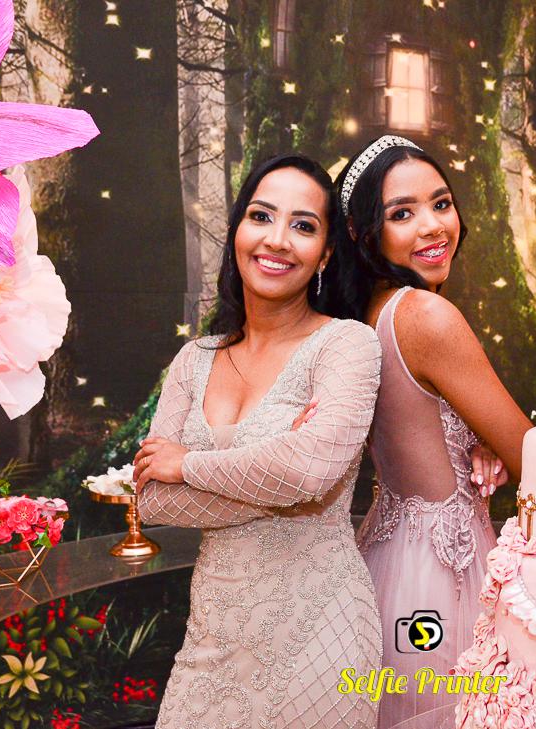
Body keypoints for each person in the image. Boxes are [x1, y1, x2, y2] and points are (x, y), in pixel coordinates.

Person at [132, 154, 381, 729]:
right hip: (211, 642)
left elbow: (311, 472)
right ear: (237, 230)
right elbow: (153, 500)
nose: (277, 240)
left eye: (303, 225)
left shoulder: (346, 345)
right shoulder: (194, 359)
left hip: (320, 636)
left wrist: (187, 463)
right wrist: (280, 475)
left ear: (325, 253)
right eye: (261, 216)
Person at [333, 136, 533, 729]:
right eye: (402, 213)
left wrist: (479, 435)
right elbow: (531, 454)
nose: (433, 226)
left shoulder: (365, 314)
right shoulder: (425, 315)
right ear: (363, 233)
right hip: (443, 585)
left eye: (441, 203)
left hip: (385, 570)